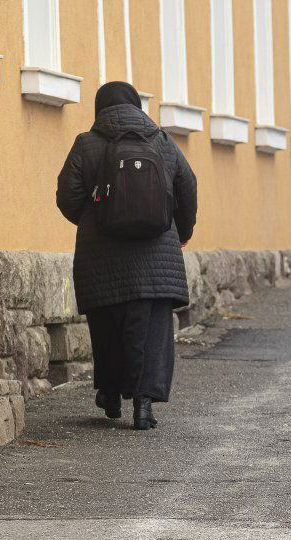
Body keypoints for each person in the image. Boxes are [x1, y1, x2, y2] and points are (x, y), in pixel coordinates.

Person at [56, 82, 197, 431]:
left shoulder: (86, 144)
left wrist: (92, 219)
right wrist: (182, 230)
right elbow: (188, 185)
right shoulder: (162, 141)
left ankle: (110, 395)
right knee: (153, 332)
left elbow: (67, 195)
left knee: (107, 328)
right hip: (157, 257)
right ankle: (144, 406)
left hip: (101, 257)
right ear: (137, 107)